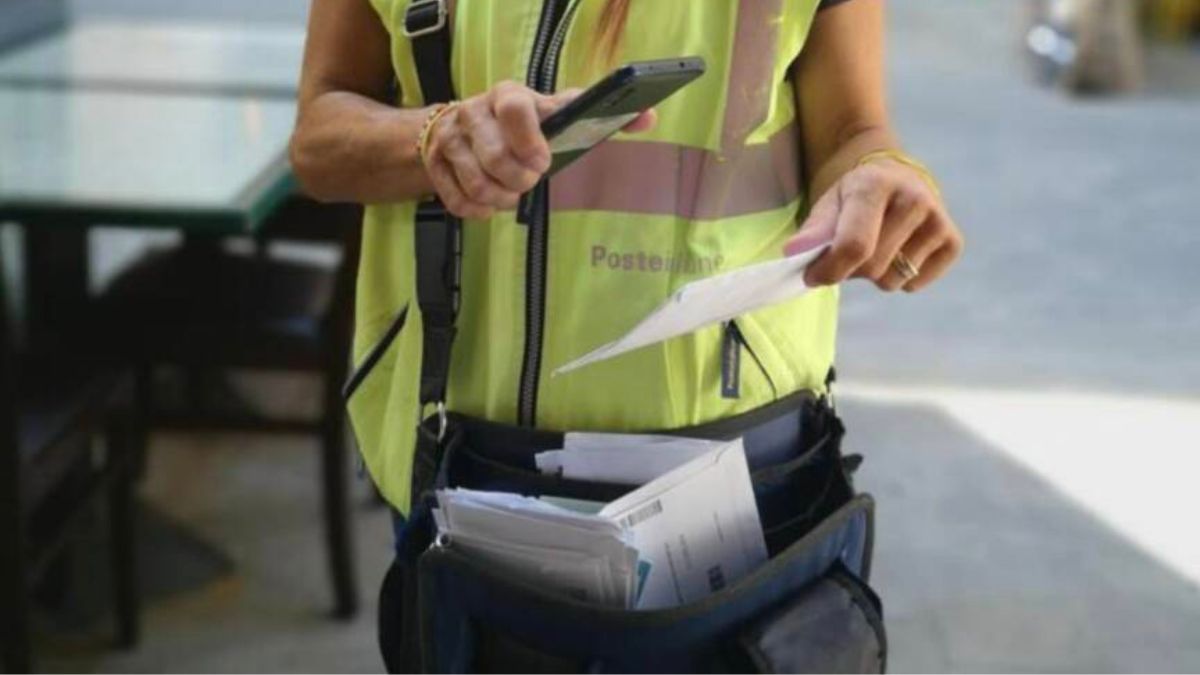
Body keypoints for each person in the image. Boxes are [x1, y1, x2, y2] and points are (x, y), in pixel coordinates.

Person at [291, 0, 963, 666]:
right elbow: (320, 137)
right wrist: (434, 136)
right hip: (458, 449)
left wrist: (879, 175)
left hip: (743, 459)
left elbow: (852, 127)